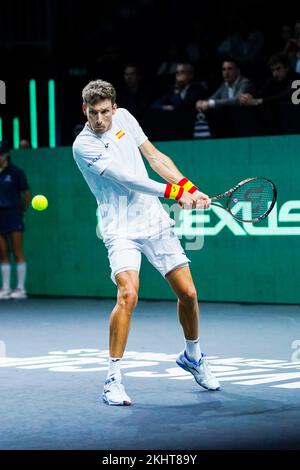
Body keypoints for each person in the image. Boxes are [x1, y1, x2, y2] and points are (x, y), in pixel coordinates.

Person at [72, 79, 220, 406]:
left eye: (105, 112)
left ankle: (192, 356)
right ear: (85, 110)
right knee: (128, 294)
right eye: (93, 113)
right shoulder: (83, 145)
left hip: (152, 219)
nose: (100, 119)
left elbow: (154, 157)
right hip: (119, 225)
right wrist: (178, 194)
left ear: (114, 107)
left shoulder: (124, 118)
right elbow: (130, 179)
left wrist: (189, 187)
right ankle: (113, 379)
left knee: (189, 294)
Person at [0, 141, 31, 299]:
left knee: (17, 251)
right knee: (2, 252)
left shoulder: (16, 172)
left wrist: (21, 210)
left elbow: (26, 194)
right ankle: (5, 288)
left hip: (13, 214)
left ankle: (20, 288)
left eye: (1, 154)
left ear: (6, 155)